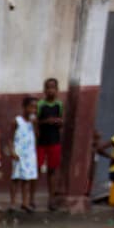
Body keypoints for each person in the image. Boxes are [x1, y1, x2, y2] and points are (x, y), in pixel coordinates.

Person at [36, 78, 65, 210]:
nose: (50, 90)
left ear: (57, 90)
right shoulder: (40, 104)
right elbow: (35, 122)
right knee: (36, 168)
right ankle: (31, 198)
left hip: (54, 140)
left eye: (53, 87)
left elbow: (62, 120)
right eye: (48, 88)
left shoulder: (59, 104)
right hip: (41, 141)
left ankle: (51, 199)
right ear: (44, 90)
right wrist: (45, 121)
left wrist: (58, 122)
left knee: (52, 170)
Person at [8, 97, 38, 212]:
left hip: (29, 154)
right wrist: (12, 151)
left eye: (35, 108)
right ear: (24, 107)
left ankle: (25, 203)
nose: (33, 110)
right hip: (19, 153)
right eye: (31, 107)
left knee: (27, 179)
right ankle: (12, 202)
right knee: (15, 178)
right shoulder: (17, 121)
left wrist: (35, 125)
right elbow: (10, 138)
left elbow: (36, 136)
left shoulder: (33, 122)